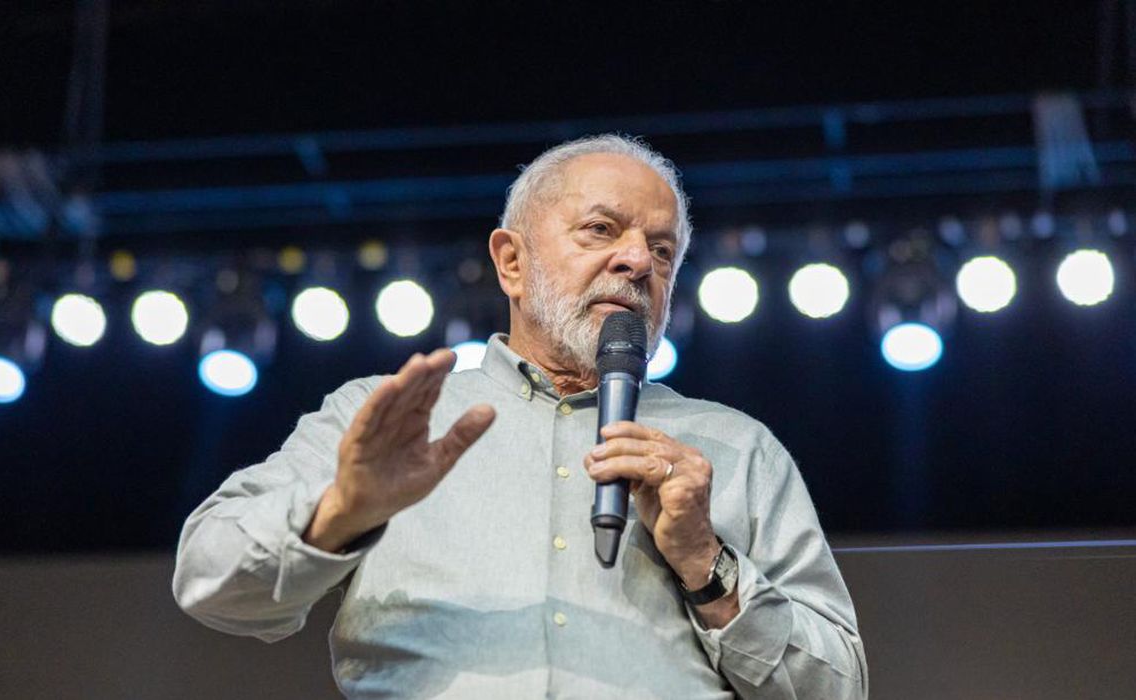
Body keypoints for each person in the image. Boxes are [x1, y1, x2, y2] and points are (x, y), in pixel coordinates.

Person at [173, 134, 868, 699]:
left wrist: (707, 566)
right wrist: (341, 512)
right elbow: (209, 582)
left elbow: (836, 688)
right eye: (602, 230)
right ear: (511, 262)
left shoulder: (736, 450)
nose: (636, 262)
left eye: (662, 251)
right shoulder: (386, 421)